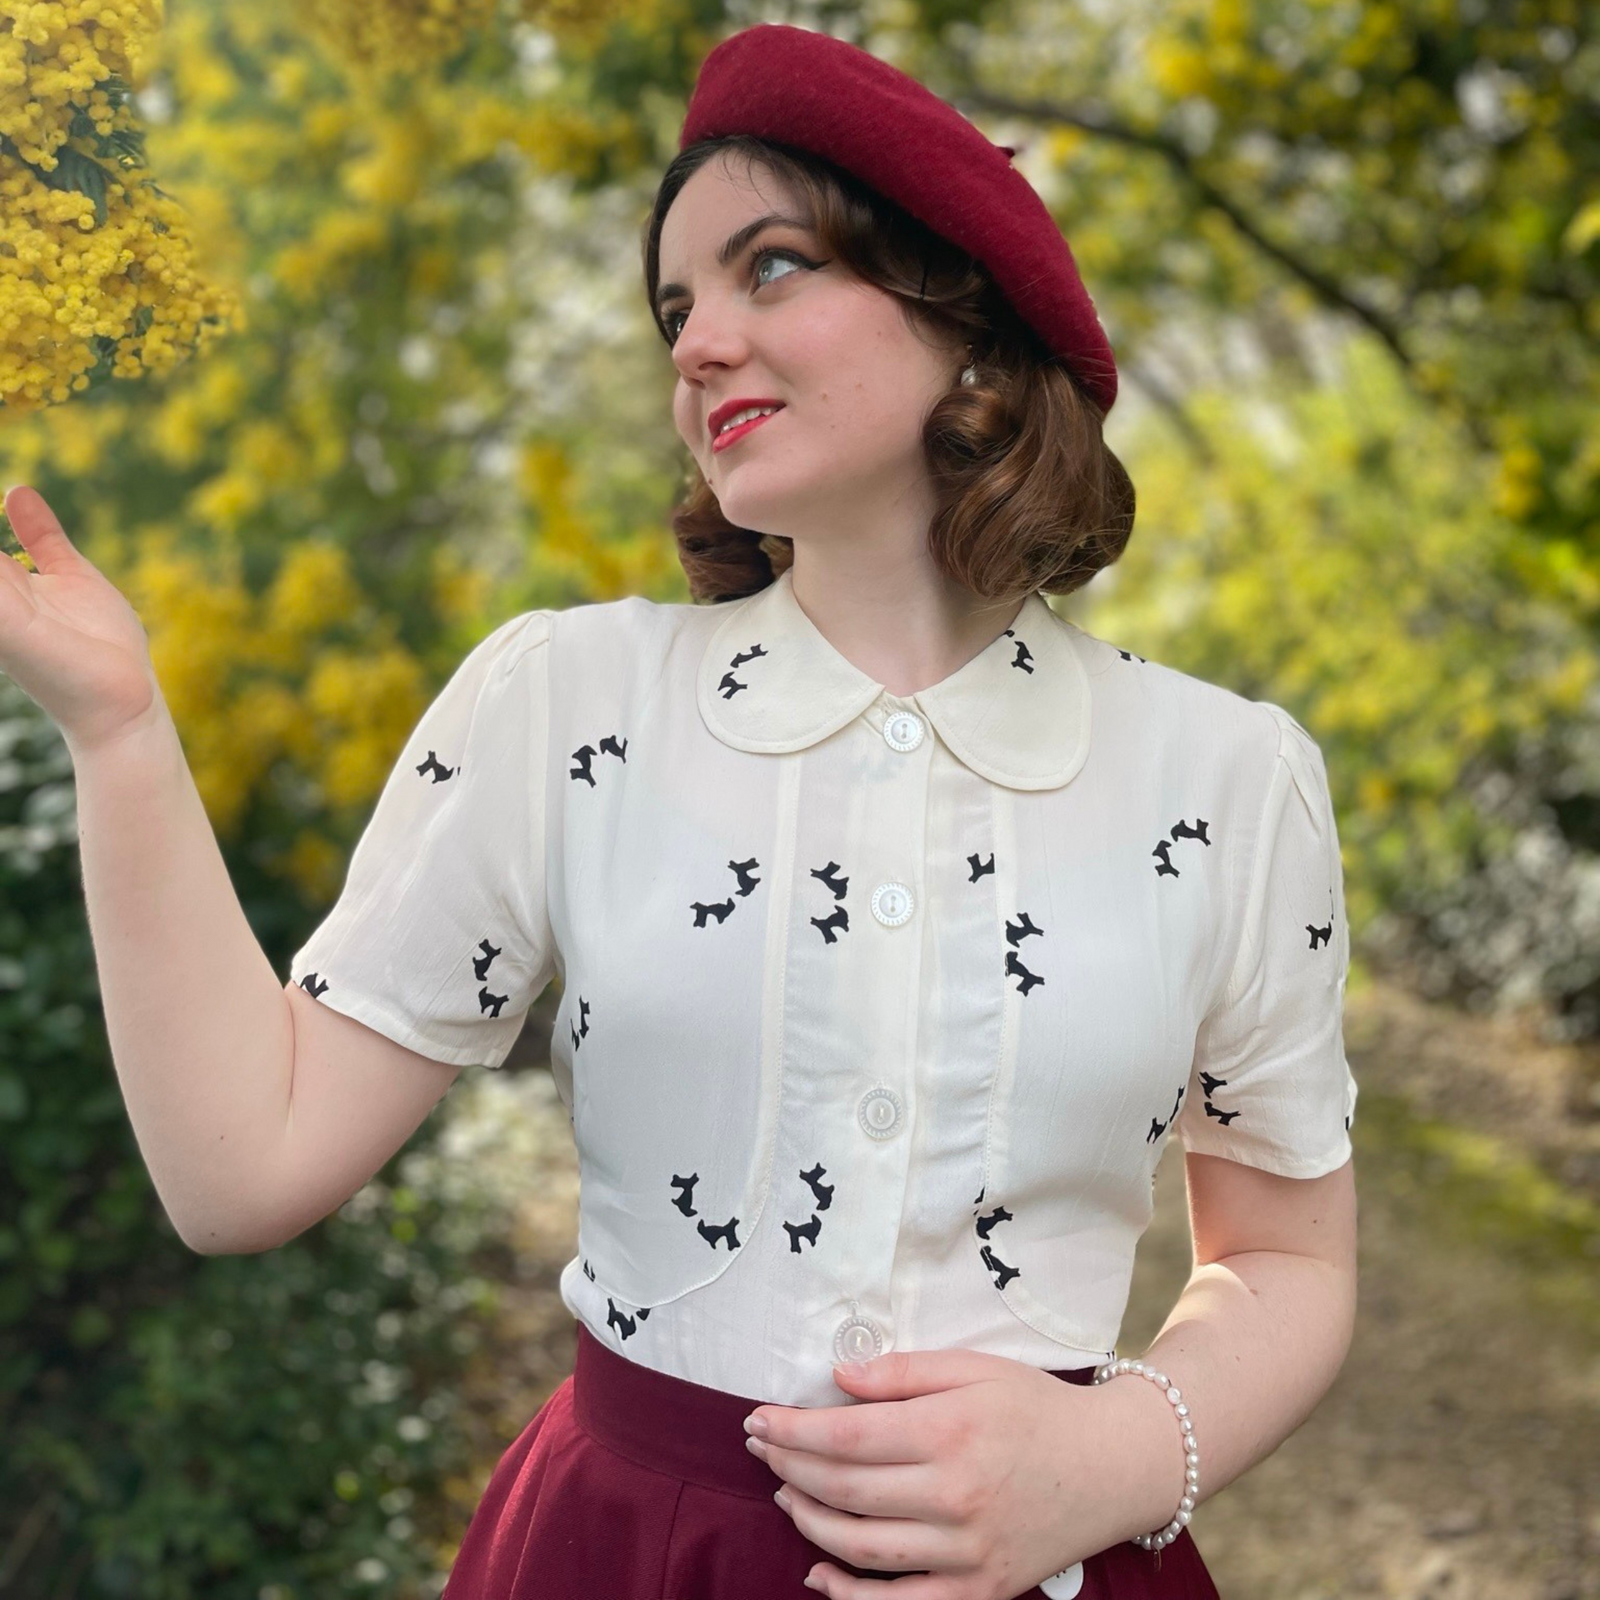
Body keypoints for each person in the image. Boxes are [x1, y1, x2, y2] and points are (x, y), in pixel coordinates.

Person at [0, 22, 1358, 1600]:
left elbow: (1285, 1258)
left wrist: (1115, 1457)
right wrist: (117, 731)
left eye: (768, 268)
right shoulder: (565, 704)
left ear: (969, 320)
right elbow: (244, 1168)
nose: (700, 340)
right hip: (622, 1559)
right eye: (676, 305)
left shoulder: (1226, 776)